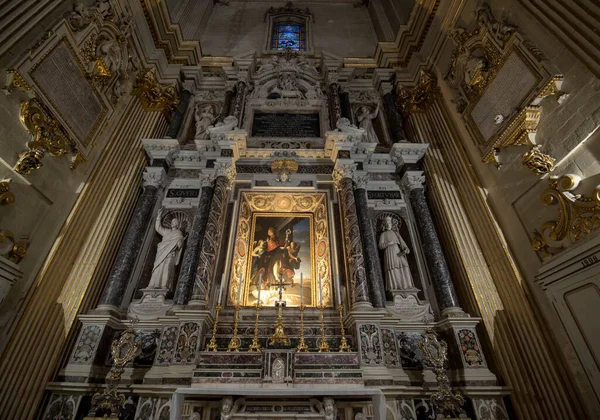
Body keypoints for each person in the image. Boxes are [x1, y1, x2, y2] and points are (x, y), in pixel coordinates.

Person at [147, 209, 184, 289]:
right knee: (157, 268)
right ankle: (152, 285)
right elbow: (158, 228)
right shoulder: (166, 231)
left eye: (175, 222)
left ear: (178, 224)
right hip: (161, 252)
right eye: (172, 222)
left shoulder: (178, 233)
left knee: (167, 269)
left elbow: (179, 245)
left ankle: (165, 285)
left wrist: (180, 242)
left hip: (170, 254)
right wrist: (159, 216)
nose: (173, 223)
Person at [378, 216, 414, 291]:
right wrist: (388, 243)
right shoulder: (383, 234)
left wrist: (405, 249)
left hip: (397, 252)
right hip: (389, 253)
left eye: (389, 223)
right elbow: (380, 246)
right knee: (393, 267)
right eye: (386, 224)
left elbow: (402, 243)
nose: (388, 225)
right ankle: (396, 286)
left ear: (391, 224)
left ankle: (407, 286)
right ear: (384, 225)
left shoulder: (396, 233)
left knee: (405, 265)